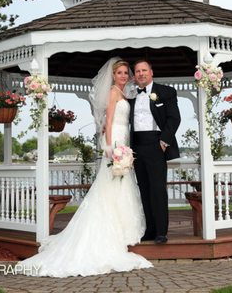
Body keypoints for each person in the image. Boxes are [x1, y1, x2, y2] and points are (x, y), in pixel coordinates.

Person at [17, 57, 152, 277]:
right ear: (113, 75)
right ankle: (112, 233)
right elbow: (108, 122)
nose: (124, 76)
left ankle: (123, 231)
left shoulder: (125, 93)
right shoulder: (113, 93)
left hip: (124, 140)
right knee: (110, 185)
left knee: (121, 185)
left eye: (126, 73)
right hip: (115, 141)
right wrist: (110, 147)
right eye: (120, 73)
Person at [129, 59, 181, 244]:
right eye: (137, 71)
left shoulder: (166, 92)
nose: (141, 73)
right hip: (136, 147)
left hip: (156, 144)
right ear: (134, 75)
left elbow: (174, 118)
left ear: (151, 72)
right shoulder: (130, 94)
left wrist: (164, 140)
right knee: (144, 188)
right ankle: (150, 230)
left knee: (157, 189)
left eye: (144, 70)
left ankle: (161, 232)